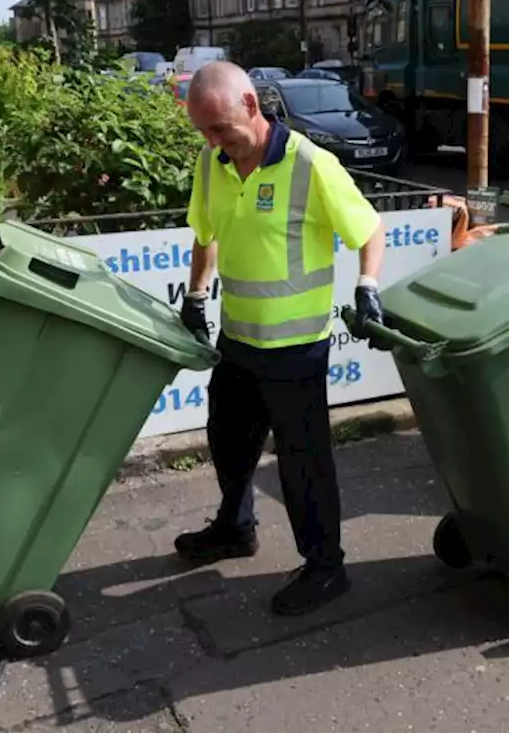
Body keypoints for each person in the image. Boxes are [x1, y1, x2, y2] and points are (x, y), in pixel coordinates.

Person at [175, 60, 388, 616]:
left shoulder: (311, 166)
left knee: (302, 461)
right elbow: (206, 233)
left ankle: (325, 567)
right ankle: (234, 528)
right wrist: (197, 296)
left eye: (220, 128)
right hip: (240, 338)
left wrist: (367, 286)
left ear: (251, 105)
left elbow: (368, 230)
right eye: (203, 131)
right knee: (228, 438)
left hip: (297, 347)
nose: (214, 141)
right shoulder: (212, 163)